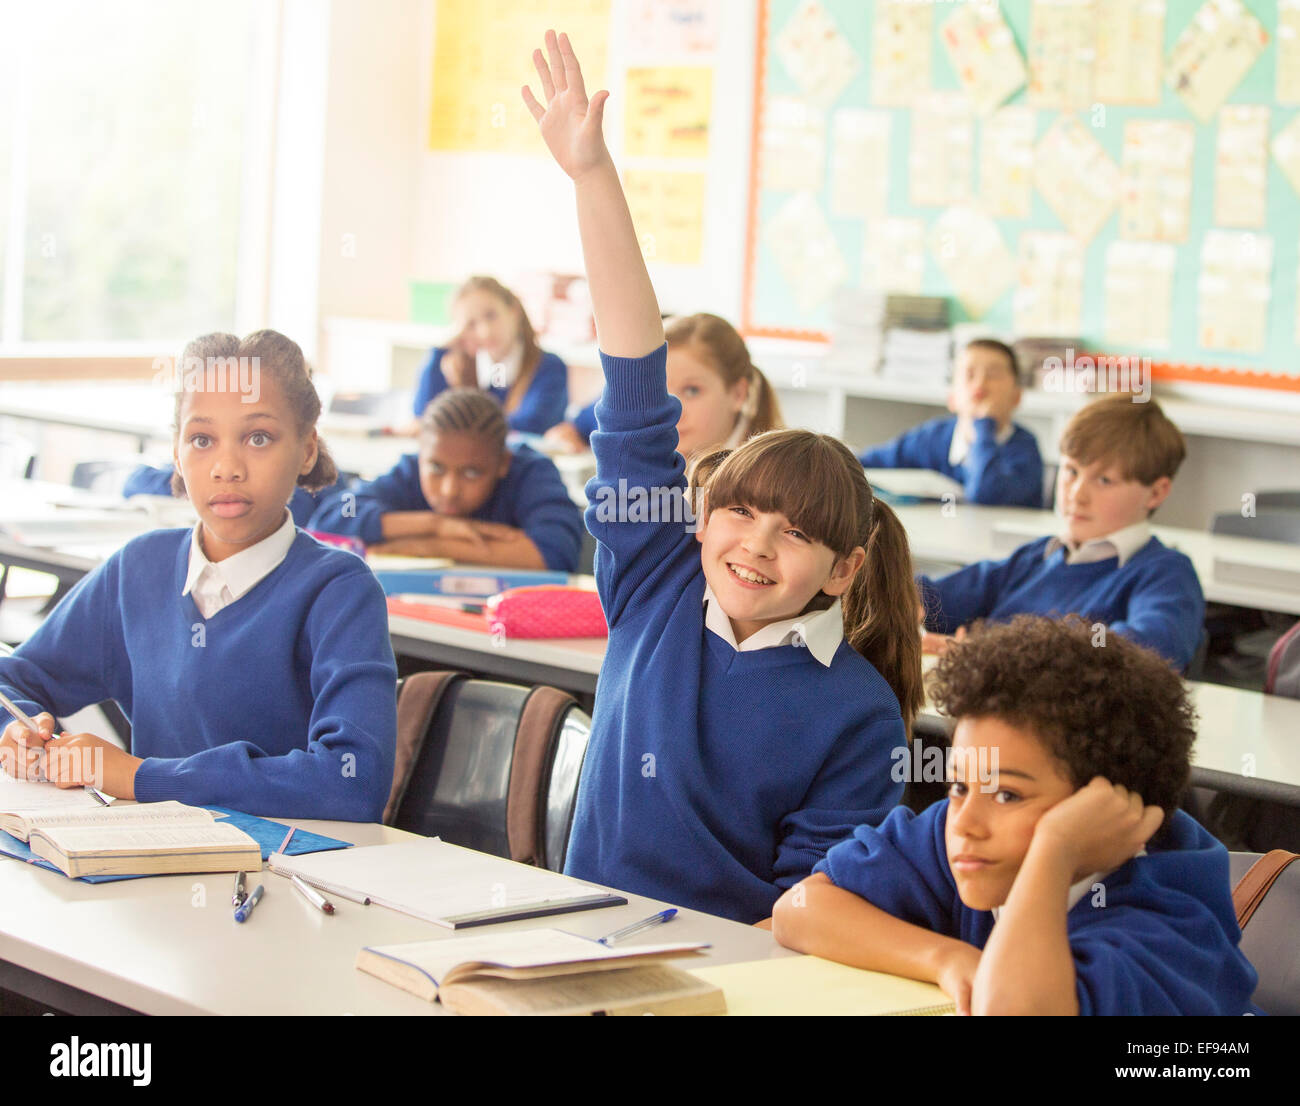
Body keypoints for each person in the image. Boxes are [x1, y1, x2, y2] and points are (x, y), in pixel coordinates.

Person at [522, 30, 922, 923]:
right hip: (566, 943)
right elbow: (633, 380)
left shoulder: (858, 712)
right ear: (700, 517)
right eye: (740, 512)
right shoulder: (654, 581)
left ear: (846, 568)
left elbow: (809, 915)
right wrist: (593, 177)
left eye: (800, 534)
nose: (758, 544)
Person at [0, 330, 397, 821]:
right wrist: (13, 729)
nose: (226, 467)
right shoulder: (137, 569)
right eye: (202, 439)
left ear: (307, 450)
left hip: (292, 873)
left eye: (258, 438)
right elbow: (14, 680)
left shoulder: (339, 590)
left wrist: (140, 776)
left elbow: (353, 780)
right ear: (176, 451)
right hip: (151, 865)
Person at [772, 616, 1259, 1016]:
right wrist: (947, 958)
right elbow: (798, 911)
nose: (964, 822)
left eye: (1008, 795)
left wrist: (1056, 850)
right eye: (961, 784)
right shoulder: (969, 835)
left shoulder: (1169, 923)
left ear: (1105, 806)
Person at [918, 394, 1203, 671]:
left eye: (1104, 480)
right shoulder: (1038, 556)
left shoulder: (1167, 574)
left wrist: (989, 653)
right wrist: (899, 600)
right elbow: (933, 597)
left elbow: (1146, 649)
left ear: (1156, 493)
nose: (1076, 495)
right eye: (1071, 471)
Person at [309, 389, 582, 571]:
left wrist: (426, 546)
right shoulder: (411, 471)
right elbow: (330, 521)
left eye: (472, 473)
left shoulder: (530, 473)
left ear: (503, 464)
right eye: (437, 468)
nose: (450, 490)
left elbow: (553, 554)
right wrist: (436, 525)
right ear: (422, 455)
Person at [544, 312, 783, 457]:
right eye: (659, 389)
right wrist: (565, 438)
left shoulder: (763, 481)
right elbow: (574, 427)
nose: (672, 407)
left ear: (738, 394)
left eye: (692, 391)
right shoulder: (641, 415)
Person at [858, 338, 1042, 507]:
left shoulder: (1024, 449)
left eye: (993, 375)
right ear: (952, 397)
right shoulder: (932, 438)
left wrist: (984, 426)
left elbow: (986, 494)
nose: (980, 384)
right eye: (969, 375)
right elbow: (867, 462)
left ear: (1016, 397)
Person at [408, 276, 568, 436]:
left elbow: (533, 425)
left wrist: (459, 424)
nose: (486, 331)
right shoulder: (462, 366)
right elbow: (424, 417)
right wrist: (440, 350)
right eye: (471, 324)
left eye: (491, 315)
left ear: (513, 311)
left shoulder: (549, 366)